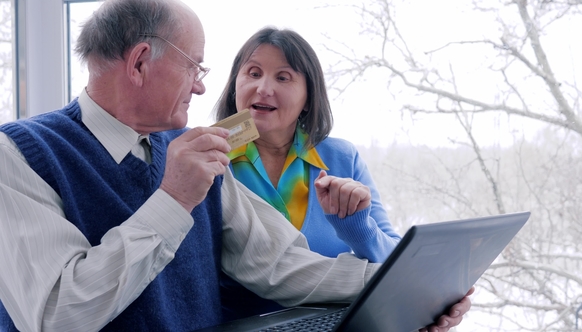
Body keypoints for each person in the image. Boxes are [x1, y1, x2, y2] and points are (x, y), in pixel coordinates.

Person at [0, 0, 471, 331]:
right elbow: (57, 315)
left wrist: (419, 290)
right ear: (141, 63)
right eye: (194, 67)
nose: (202, 88)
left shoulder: (193, 150)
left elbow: (283, 265)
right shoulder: (17, 155)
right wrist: (173, 199)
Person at [214, 27, 404, 320]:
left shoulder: (341, 157)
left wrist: (358, 227)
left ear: (308, 95)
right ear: (234, 84)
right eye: (253, 73)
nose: (263, 88)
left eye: (283, 77)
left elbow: (394, 260)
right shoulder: (209, 159)